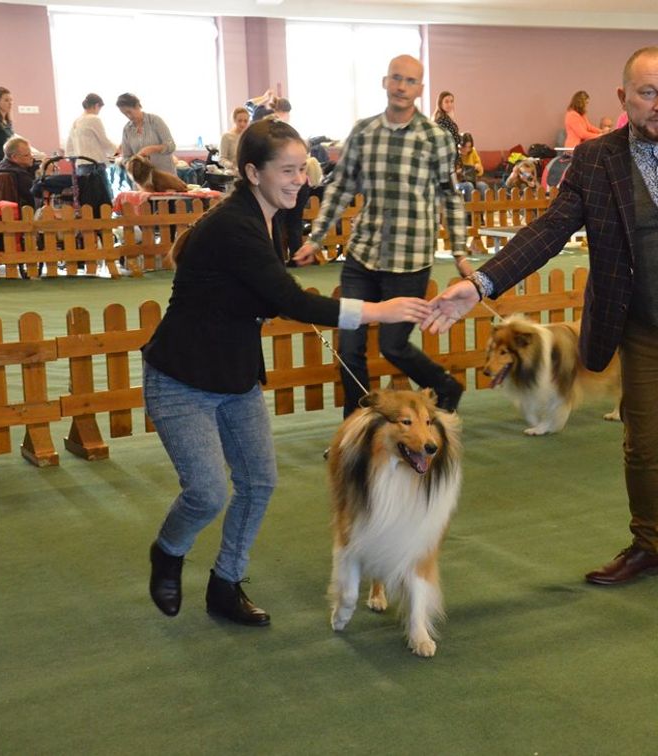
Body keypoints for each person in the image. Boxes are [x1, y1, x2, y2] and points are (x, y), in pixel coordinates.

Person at [426, 46, 658, 619]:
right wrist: (480, 285)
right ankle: (650, 547)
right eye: (647, 93)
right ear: (622, 98)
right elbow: (550, 231)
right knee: (643, 449)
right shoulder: (597, 159)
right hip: (642, 332)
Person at [143, 118, 431, 627]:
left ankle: (225, 585)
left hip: (234, 376)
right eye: (288, 170)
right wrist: (380, 310)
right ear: (252, 172)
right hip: (182, 377)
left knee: (259, 483)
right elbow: (292, 299)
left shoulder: (274, 215)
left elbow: (262, 293)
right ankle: (168, 552)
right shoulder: (235, 225)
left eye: (303, 169)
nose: (301, 179)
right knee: (208, 492)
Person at [293, 54, 468, 417]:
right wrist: (315, 238)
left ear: (420, 90)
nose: (402, 87)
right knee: (350, 346)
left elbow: (450, 197)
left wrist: (461, 251)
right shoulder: (363, 131)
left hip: (410, 262)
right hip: (363, 257)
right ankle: (354, 427)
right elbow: (341, 187)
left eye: (410, 82)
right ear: (385, 82)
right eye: (396, 79)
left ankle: (445, 386)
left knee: (393, 346)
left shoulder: (435, 138)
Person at [116, 93, 177, 176]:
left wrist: (153, 149)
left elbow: (171, 146)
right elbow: (126, 157)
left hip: (164, 176)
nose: (128, 116)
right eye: (124, 114)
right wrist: (131, 162)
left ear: (137, 106)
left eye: (129, 112)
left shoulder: (155, 121)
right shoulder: (127, 130)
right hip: (142, 179)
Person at [0, 135, 36, 208]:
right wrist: (46, 174)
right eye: (27, 155)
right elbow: (37, 195)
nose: (31, 157)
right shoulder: (18, 174)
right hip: (24, 215)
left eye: (31, 153)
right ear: (14, 157)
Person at [456, 131, 489, 200]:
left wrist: (478, 168)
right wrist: (458, 172)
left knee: (483, 186)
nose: (467, 150)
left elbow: (481, 172)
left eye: (469, 147)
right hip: (457, 184)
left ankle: (481, 210)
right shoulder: (454, 153)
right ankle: (469, 210)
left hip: (472, 181)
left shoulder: (473, 152)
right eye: (464, 147)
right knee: (468, 186)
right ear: (459, 145)